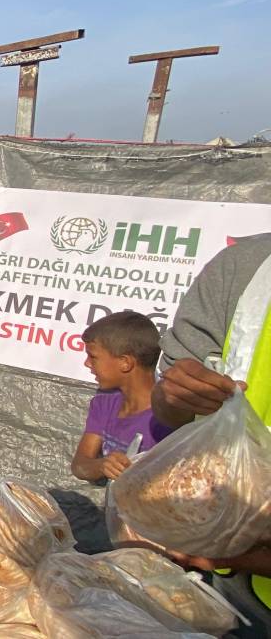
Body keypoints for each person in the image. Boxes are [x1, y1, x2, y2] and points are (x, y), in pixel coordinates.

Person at [149, 233, 271, 638]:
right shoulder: (246, 266)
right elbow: (170, 413)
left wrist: (244, 550)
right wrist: (176, 394)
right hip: (232, 589)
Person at [70, 310, 166, 482]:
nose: (87, 363)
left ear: (125, 362)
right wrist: (102, 465)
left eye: (93, 357)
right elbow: (80, 465)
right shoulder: (105, 401)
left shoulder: (167, 420)